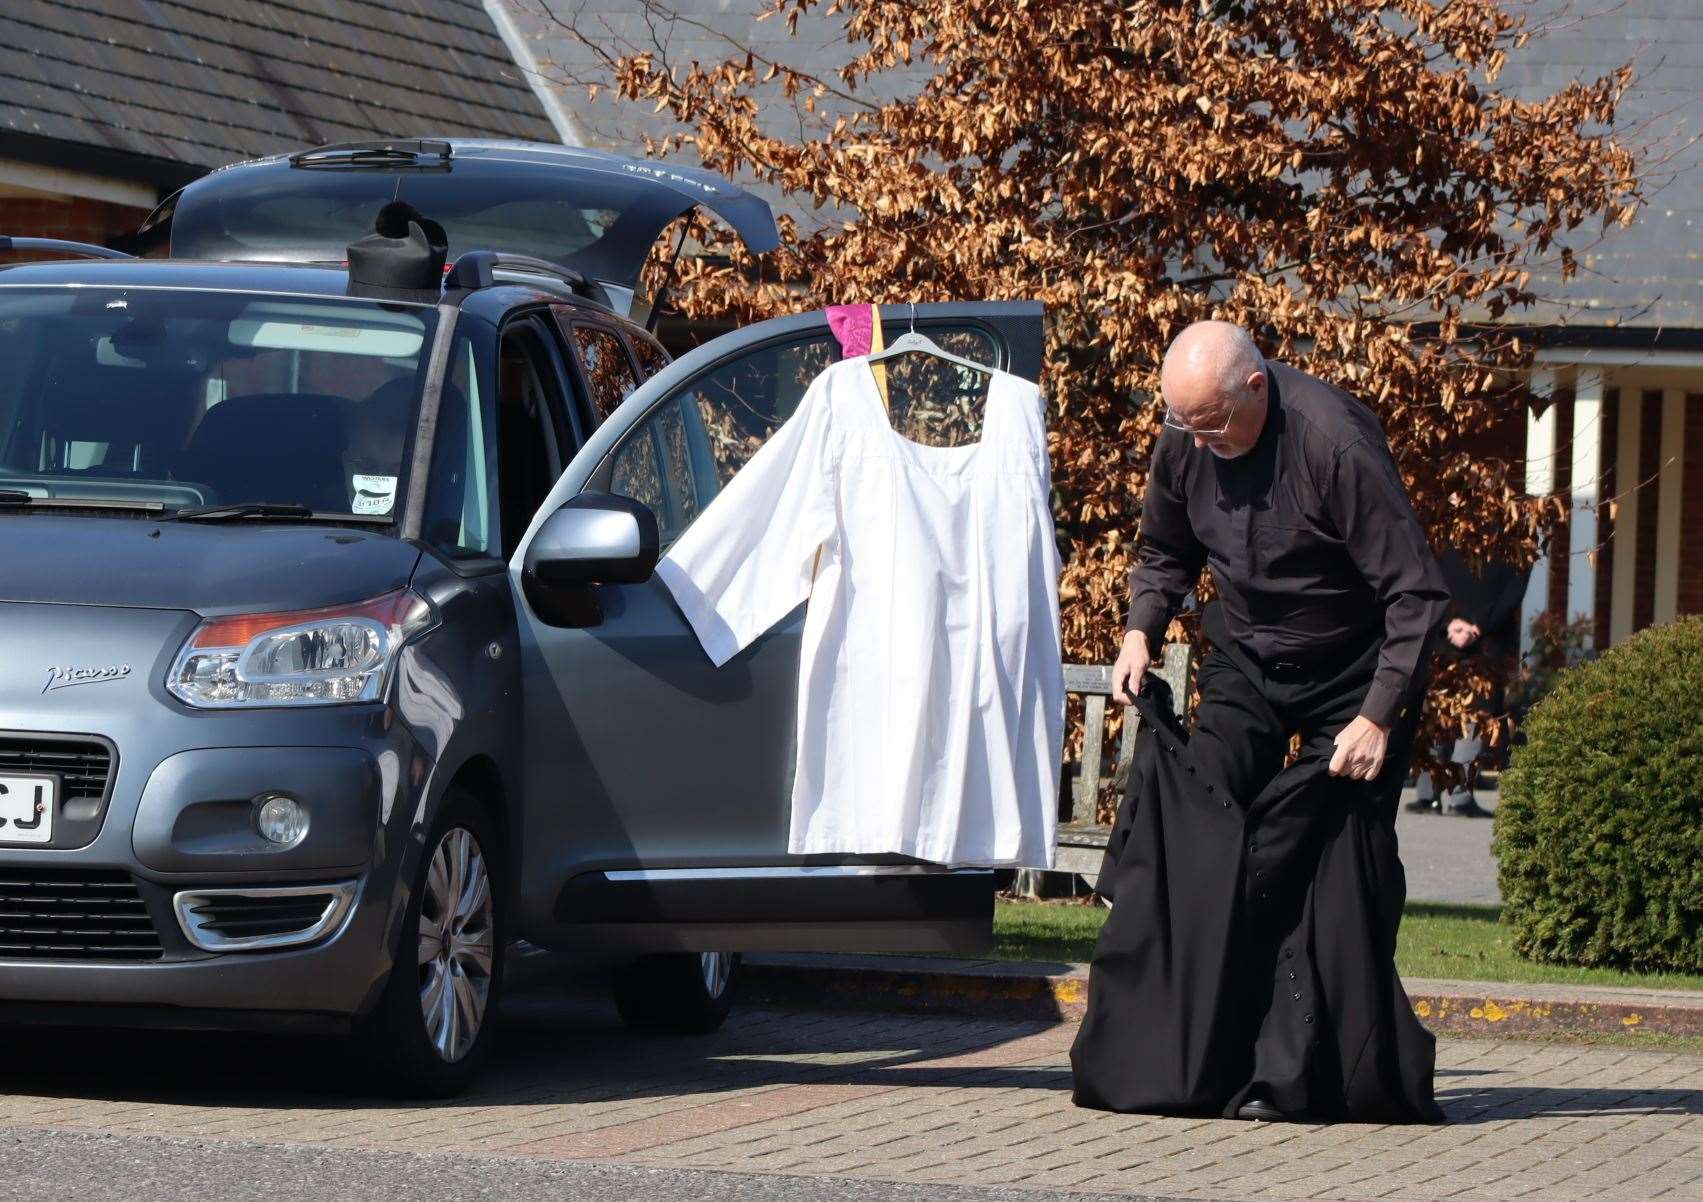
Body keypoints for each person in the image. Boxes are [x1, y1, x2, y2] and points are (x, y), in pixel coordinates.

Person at [1069, 321, 1450, 1124]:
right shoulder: (1186, 437)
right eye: (1185, 425)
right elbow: (1163, 550)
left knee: (1335, 863)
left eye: (1212, 423)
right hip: (1243, 659)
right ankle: (1190, 1056)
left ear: (1256, 387)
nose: (1199, 442)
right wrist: (1142, 626)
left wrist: (1377, 717)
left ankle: (1309, 1075)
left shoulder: (1332, 444)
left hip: (1351, 671)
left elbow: (1414, 596)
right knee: (1207, 825)